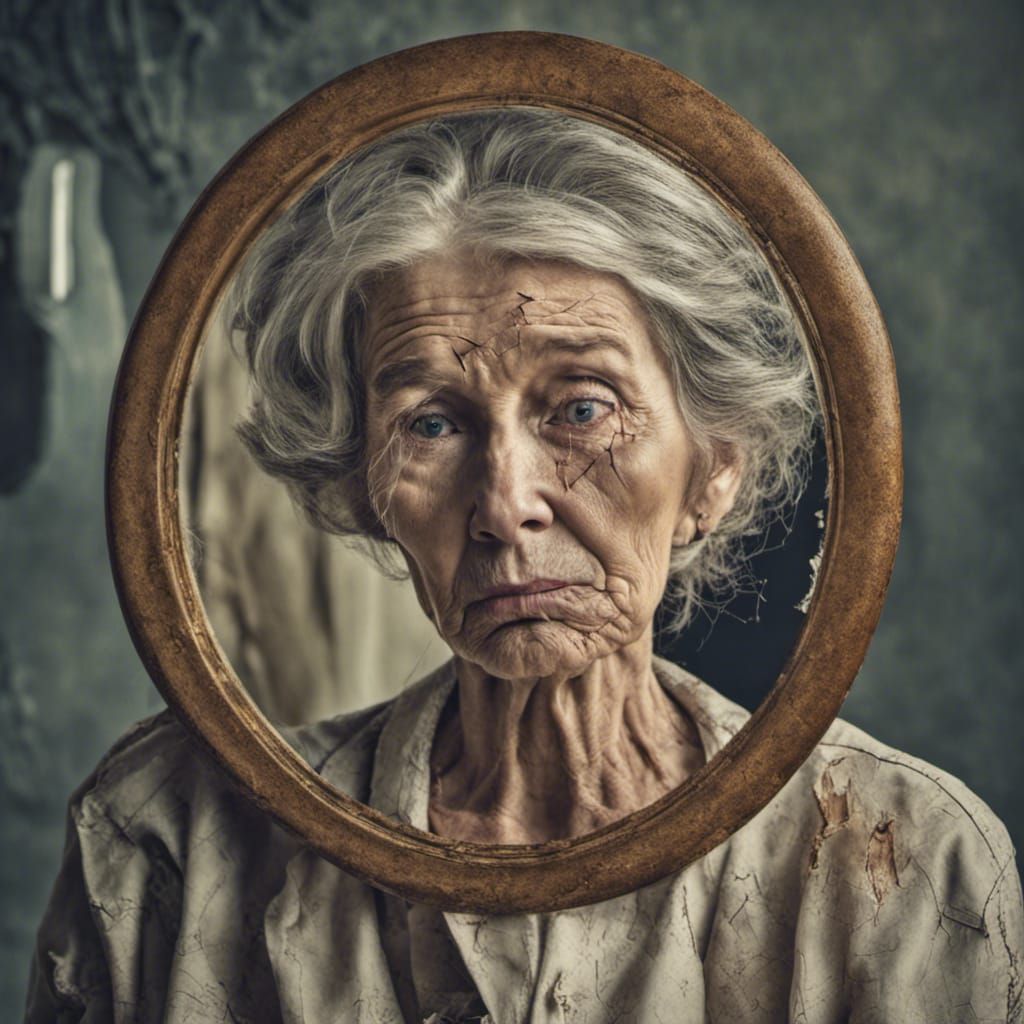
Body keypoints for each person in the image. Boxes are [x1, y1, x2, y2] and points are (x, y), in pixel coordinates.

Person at [26, 109, 1022, 1023]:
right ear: (366, 483)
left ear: (712, 468)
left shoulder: (907, 862)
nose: (505, 504)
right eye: (430, 421)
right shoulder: (169, 845)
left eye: (581, 407)